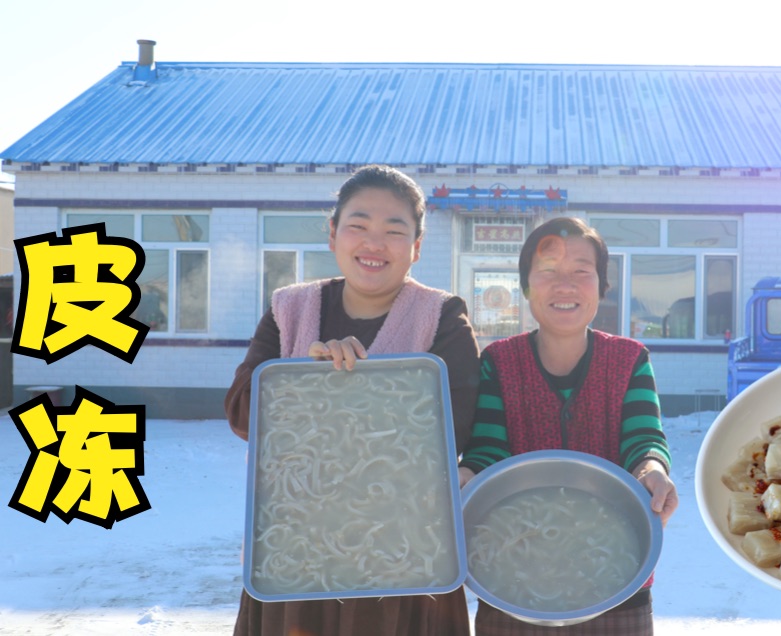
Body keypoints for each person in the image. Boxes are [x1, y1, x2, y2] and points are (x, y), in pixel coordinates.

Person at [225, 164, 481, 636]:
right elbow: (242, 411)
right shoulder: (289, 310)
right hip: (297, 545)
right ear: (333, 234)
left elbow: (453, 428)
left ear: (417, 247)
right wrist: (305, 375)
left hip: (405, 552)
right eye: (358, 226)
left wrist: (347, 398)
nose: (373, 243)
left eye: (394, 230)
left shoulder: (441, 317)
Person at [458, 216, 678, 636]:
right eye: (548, 272)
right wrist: (466, 476)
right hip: (513, 574)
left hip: (616, 574)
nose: (565, 285)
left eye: (581, 271)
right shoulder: (499, 361)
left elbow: (644, 439)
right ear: (525, 286)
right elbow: (488, 449)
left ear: (601, 286)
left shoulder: (630, 359)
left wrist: (653, 472)